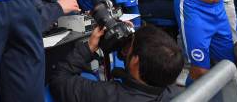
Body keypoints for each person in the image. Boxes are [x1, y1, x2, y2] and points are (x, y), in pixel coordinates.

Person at [50, 24, 183, 102]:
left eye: (130, 46)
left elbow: (59, 79)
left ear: (136, 61)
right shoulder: (177, 94)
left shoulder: (105, 95)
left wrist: (89, 47)